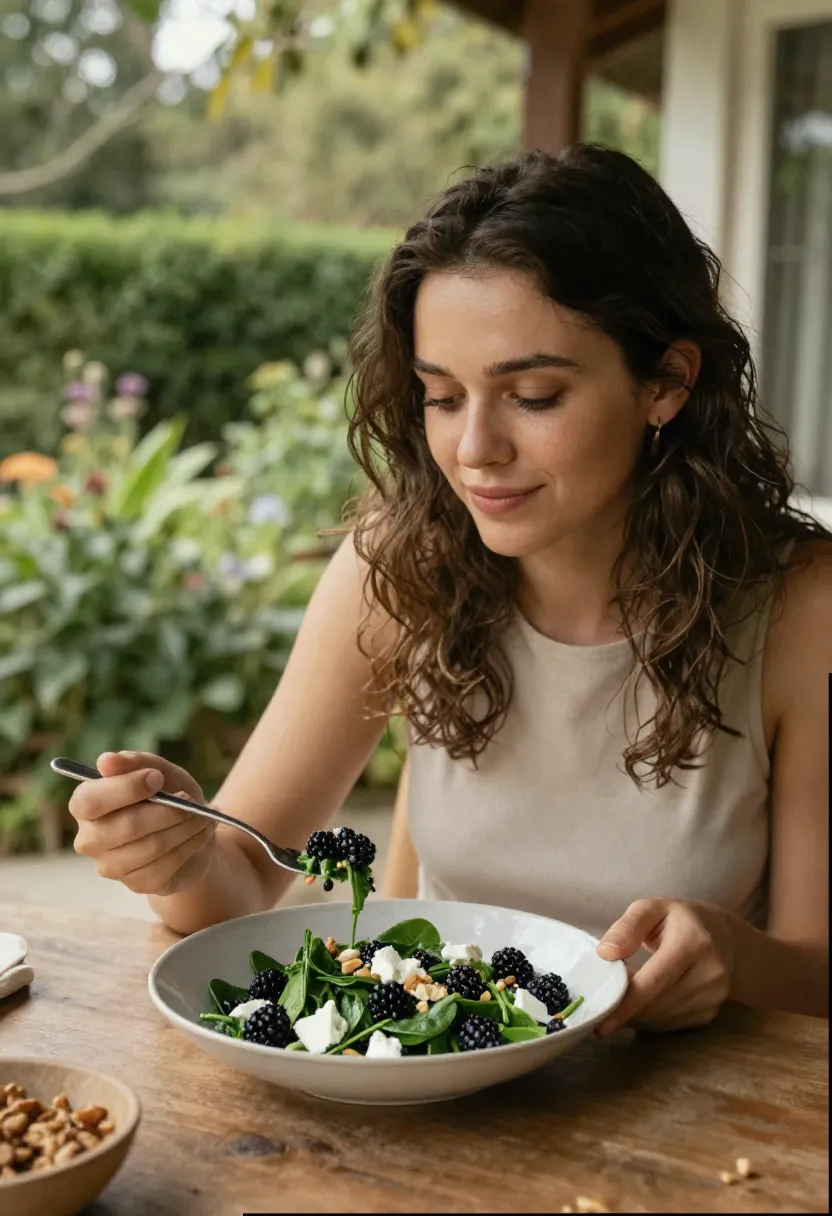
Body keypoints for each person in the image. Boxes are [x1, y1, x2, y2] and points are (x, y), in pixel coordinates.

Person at [68, 145, 830, 1035]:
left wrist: (734, 958)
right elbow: (238, 878)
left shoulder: (801, 609)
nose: (474, 450)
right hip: (437, 1105)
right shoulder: (394, 571)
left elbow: (819, 974)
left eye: (534, 395)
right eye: (440, 397)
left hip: (695, 1134)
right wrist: (175, 851)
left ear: (666, 381)